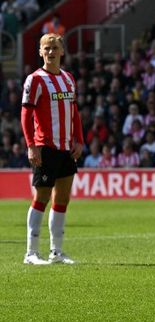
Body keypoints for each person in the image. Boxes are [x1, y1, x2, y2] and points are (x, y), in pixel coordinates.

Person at [21, 33, 85, 265]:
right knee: (42, 196)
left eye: (54, 48)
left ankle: (56, 252)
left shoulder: (68, 78)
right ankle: (31, 252)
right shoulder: (35, 79)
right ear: (40, 52)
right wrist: (31, 145)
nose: (50, 52)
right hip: (45, 147)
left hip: (66, 148)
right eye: (46, 48)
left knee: (63, 198)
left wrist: (79, 139)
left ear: (62, 52)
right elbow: (26, 114)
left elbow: (74, 112)